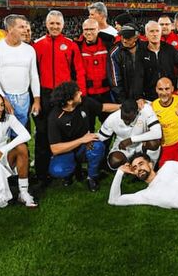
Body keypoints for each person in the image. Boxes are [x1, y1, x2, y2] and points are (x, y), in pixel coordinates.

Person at [33, 10, 87, 184]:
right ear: (46, 24)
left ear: (63, 25)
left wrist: (81, 93)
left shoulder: (70, 45)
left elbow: (79, 70)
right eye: (52, 23)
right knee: (42, 133)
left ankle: (72, 170)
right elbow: (33, 74)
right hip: (45, 93)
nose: (55, 26)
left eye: (58, 23)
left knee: (69, 132)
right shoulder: (38, 45)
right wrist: (37, 99)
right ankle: (41, 174)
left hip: (66, 95)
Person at [47, 82, 119, 192]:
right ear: (70, 101)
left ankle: (92, 177)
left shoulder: (84, 101)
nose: (81, 93)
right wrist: (81, 140)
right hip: (66, 151)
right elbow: (55, 149)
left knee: (98, 147)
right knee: (57, 169)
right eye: (77, 93)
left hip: (85, 146)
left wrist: (121, 106)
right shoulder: (54, 117)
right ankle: (72, 172)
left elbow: (103, 107)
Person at [0, 14, 41, 128]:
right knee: (0, 136)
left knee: (20, 136)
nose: (25, 30)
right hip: (2, 97)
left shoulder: (29, 50)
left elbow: (34, 76)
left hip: (23, 98)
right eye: (21, 27)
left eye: (26, 27)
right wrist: (2, 99)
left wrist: (36, 100)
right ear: (10, 29)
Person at [135, 21, 178, 101]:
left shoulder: (169, 49)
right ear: (146, 34)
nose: (155, 34)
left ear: (160, 33)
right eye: (151, 31)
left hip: (170, 95)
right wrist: (138, 97)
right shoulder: (140, 51)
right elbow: (138, 76)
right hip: (149, 97)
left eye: (157, 31)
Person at [97, 99, 162, 169]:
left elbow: (157, 133)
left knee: (154, 143)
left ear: (137, 111)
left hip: (142, 144)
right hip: (123, 147)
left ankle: (150, 168)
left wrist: (131, 140)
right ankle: (128, 169)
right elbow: (101, 136)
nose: (126, 122)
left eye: (130, 119)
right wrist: (89, 141)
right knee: (114, 161)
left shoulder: (146, 110)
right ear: (120, 109)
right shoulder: (112, 118)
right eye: (124, 118)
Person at [76, 18, 115, 127]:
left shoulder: (108, 44)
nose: (89, 32)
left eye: (92, 29)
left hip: (106, 93)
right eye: (86, 29)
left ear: (98, 30)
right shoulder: (78, 47)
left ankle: (106, 145)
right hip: (88, 94)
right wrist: (82, 95)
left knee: (109, 125)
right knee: (87, 126)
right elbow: (78, 72)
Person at [108, 24, 141, 102]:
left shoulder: (144, 48)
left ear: (136, 37)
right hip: (124, 97)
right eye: (122, 37)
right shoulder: (115, 52)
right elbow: (115, 81)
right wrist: (123, 101)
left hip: (143, 97)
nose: (124, 40)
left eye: (128, 38)